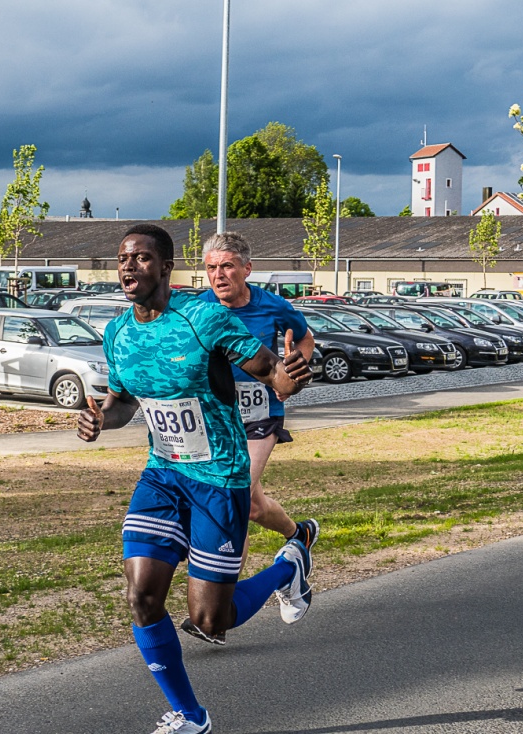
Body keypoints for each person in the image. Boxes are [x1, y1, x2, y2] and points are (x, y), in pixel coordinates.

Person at [77, 224, 315, 734]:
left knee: (212, 621)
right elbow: (122, 403)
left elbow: (268, 366)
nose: (128, 267)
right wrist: (101, 419)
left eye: (141, 258)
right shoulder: (118, 332)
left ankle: (289, 566)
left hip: (219, 478)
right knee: (141, 596)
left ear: (166, 267)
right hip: (162, 475)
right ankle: (191, 716)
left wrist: (286, 378)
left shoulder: (202, 316)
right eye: (123, 258)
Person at [180, 231, 319, 646]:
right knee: (254, 505)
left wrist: (292, 371)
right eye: (210, 268)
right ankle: (301, 535)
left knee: (237, 496)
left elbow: (306, 338)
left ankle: (218, 611)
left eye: (226, 267)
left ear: (246, 269)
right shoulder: (197, 308)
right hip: (217, 419)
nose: (218, 276)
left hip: (261, 415)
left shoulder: (272, 305)